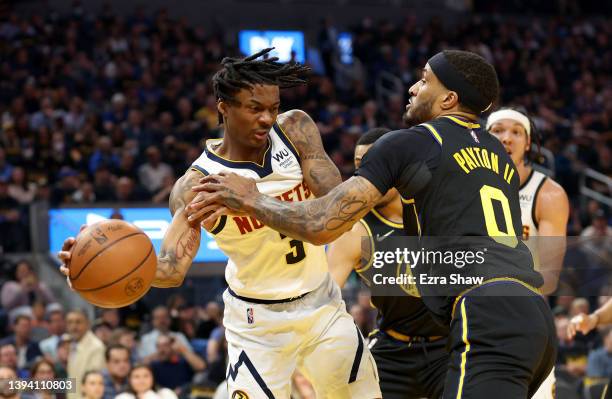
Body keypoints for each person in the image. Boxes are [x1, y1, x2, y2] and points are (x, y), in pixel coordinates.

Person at [189, 49, 557, 398]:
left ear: (448, 100)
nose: (412, 88)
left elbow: (323, 224)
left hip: (485, 312)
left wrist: (251, 199)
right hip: (533, 314)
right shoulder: (498, 156)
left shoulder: (412, 143)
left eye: (425, 80)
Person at [58, 47, 380, 398]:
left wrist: (253, 200)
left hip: (323, 307)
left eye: (272, 108)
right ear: (223, 108)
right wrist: (93, 270)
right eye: (254, 109)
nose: (267, 119)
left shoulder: (296, 129)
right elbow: (171, 269)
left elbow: (334, 215)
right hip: (257, 324)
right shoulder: (197, 185)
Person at [327, 127, 449, 398]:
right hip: (392, 349)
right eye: (360, 167)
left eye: (375, 163)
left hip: (449, 348)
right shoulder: (356, 229)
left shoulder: (439, 210)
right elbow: (323, 298)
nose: (367, 175)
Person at [487, 108, 570, 399]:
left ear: (528, 143)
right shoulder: (461, 187)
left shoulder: (548, 194)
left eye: (515, 132)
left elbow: (548, 276)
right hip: (471, 316)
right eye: (497, 130)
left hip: (524, 318)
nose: (506, 138)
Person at [65, 309, 105, 399]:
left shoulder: (96, 347)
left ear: (88, 323)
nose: (73, 326)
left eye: (78, 322)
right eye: (70, 322)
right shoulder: (73, 344)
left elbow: (94, 386)